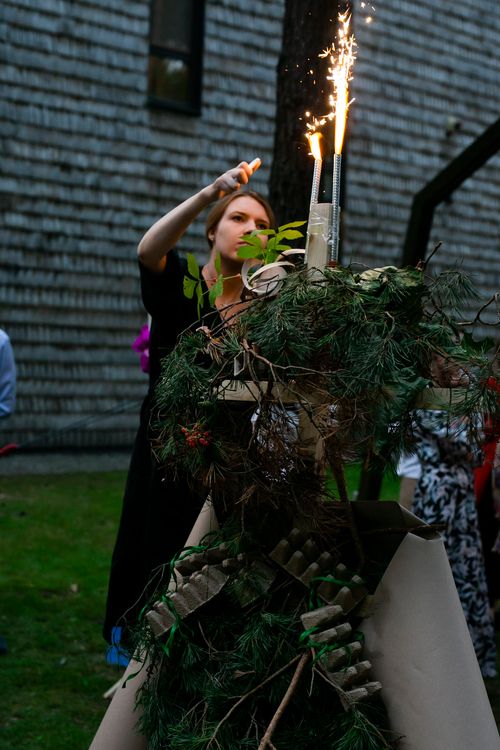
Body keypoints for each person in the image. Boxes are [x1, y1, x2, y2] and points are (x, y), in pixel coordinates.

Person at [103, 161, 274, 651]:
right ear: (212, 231)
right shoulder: (182, 285)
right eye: (238, 218)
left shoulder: (267, 312)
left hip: (230, 465)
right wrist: (210, 193)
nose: (251, 229)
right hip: (167, 456)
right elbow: (148, 250)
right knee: (158, 559)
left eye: (262, 225)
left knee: (214, 576)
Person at [411, 355, 497, 677]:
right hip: (438, 494)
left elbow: (477, 450)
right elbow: (466, 446)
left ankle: (468, 653)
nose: (455, 365)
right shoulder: (426, 397)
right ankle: (433, 647)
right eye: (446, 359)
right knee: (437, 565)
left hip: (460, 496)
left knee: (467, 569)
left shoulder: (465, 398)